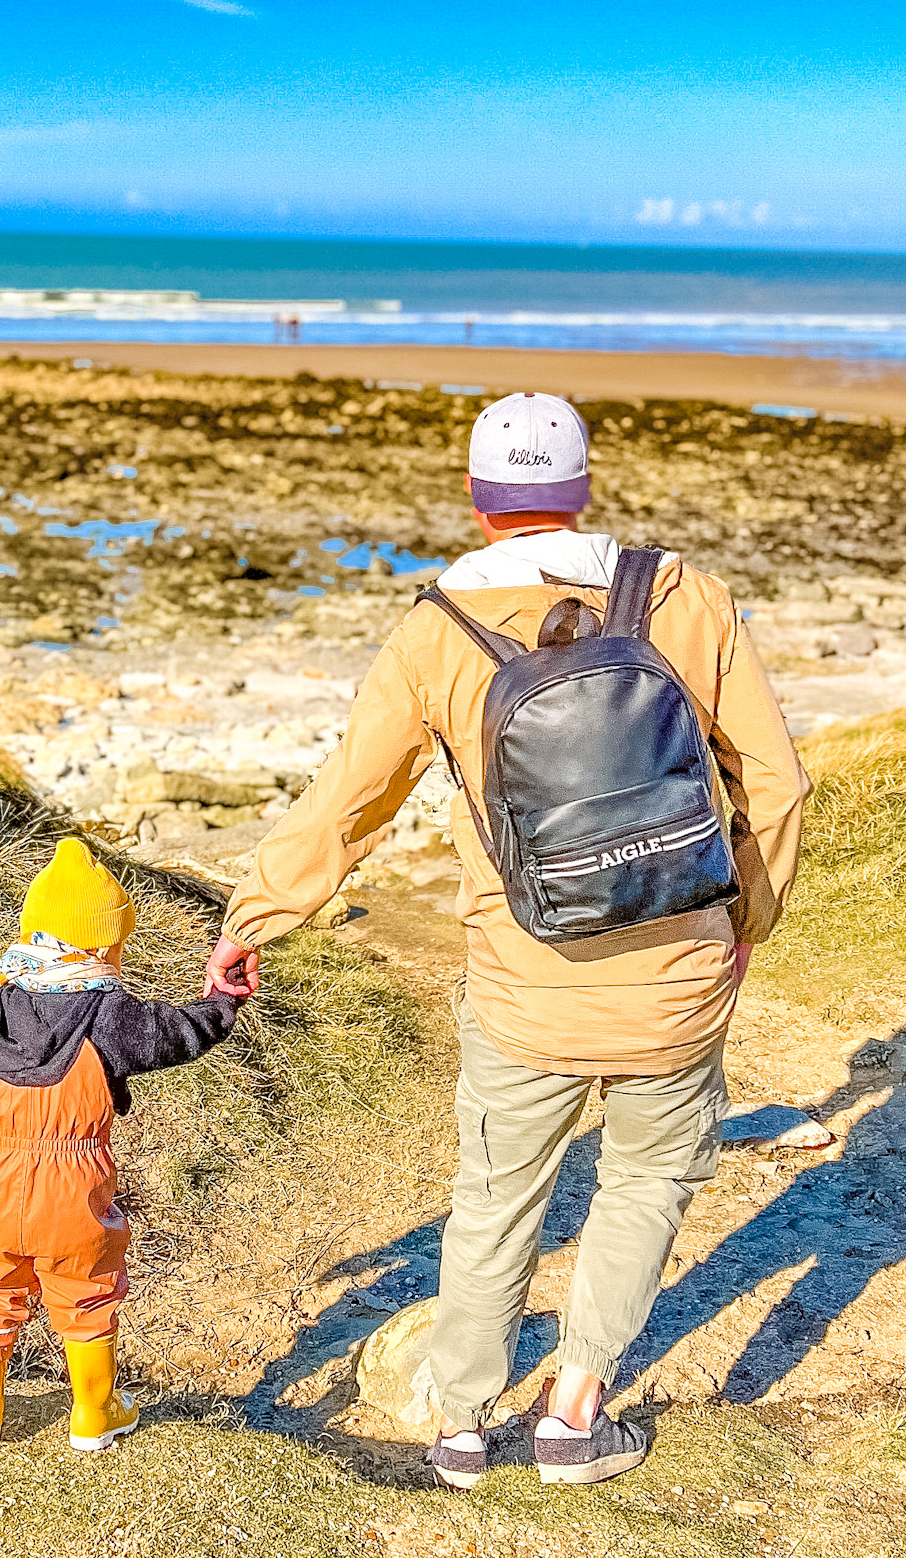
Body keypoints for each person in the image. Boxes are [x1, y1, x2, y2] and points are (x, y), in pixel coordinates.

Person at [203, 391, 808, 1487]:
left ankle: (462, 1426)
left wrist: (255, 914)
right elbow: (773, 777)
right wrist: (745, 920)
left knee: (494, 1201)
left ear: (480, 500)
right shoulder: (683, 595)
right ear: (578, 489)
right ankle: (575, 1413)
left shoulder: (434, 631)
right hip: (675, 971)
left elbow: (351, 803)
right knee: (645, 1183)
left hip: (523, 976)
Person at [0, 838, 240, 1451]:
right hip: (75, 1193)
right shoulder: (109, 1014)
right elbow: (178, 1036)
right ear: (101, 946)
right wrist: (221, 1003)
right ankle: (94, 1412)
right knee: (86, 1289)